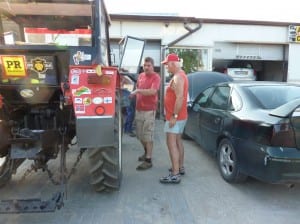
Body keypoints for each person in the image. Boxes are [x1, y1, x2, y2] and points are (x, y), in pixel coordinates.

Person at [160, 53, 188, 184]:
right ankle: (180, 167)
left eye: (167, 65)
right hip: (180, 116)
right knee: (178, 142)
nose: (166, 68)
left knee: (171, 144)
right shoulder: (181, 75)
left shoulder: (178, 77)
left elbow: (180, 97)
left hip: (175, 117)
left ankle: (175, 174)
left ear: (173, 64)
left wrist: (174, 116)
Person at [130, 57, 161, 170]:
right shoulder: (141, 76)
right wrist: (132, 93)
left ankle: (148, 160)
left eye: (149, 65)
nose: (146, 67)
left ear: (153, 66)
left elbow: (153, 91)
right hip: (139, 109)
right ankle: (146, 152)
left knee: (147, 136)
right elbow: (137, 87)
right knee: (140, 135)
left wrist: (137, 91)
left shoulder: (156, 77)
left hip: (149, 110)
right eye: (145, 65)